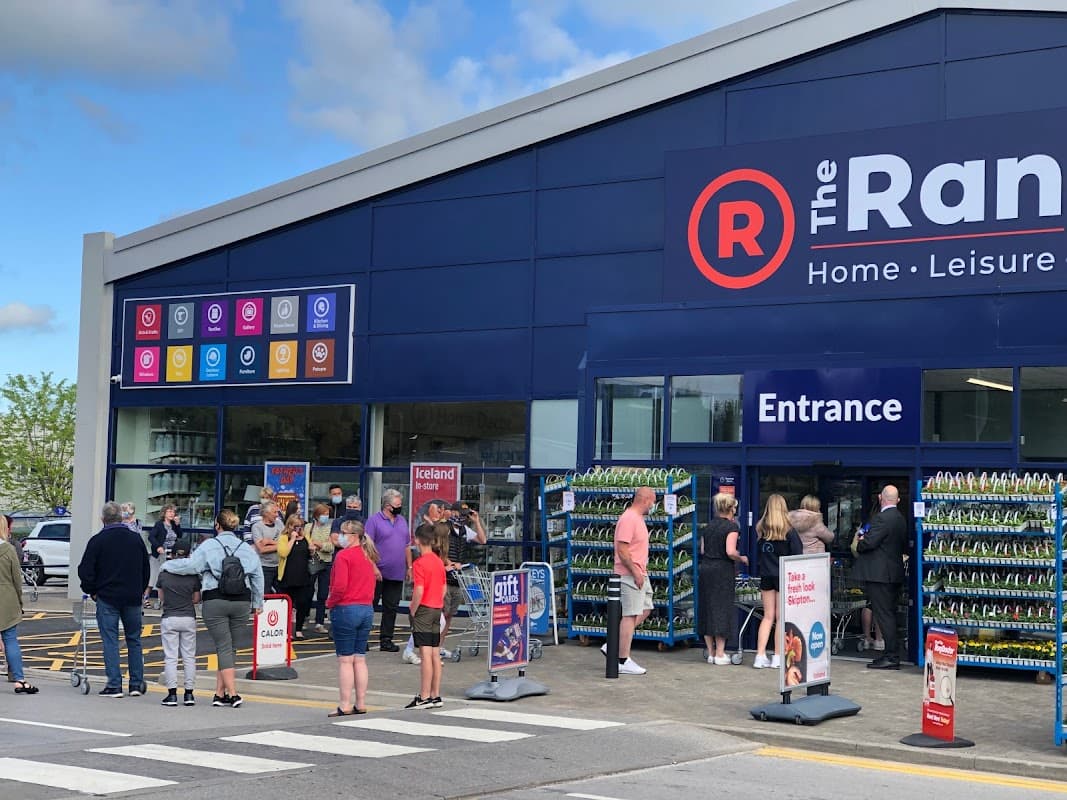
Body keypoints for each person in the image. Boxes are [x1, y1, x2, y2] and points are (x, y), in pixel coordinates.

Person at [161, 509, 264, 707]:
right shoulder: (246, 548)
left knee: (223, 647)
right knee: (229, 648)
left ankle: (232, 694)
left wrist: (168, 566)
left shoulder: (209, 545)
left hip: (215, 600)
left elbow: (191, 566)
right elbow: (257, 576)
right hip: (242, 600)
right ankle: (219, 694)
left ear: (217, 525)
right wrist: (258, 603)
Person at [78, 501, 151, 697]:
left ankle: (114, 684)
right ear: (121, 517)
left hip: (107, 597)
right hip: (132, 597)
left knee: (110, 640)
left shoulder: (97, 541)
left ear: (103, 519)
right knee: (134, 640)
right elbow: (146, 569)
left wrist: (92, 591)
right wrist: (141, 590)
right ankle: (136, 683)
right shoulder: (136, 540)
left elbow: (85, 570)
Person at [325, 520, 378, 716]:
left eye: (344, 532)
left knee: (345, 660)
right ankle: (361, 702)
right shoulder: (368, 556)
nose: (341, 535)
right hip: (366, 608)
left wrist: (329, 603)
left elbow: (339, 586)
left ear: (353, 536)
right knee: (360, 658)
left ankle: (345, 704)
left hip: (346, 608)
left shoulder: (343, 556)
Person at [852, 485, 907, 669]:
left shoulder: (882, 519)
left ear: (880, 498)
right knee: (889, 613)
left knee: (884, 615)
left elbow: (868, 543)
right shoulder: (900, 518)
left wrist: (861, 541)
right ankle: (890, 654)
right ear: (897, 500)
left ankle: (891, 656)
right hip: (893, 573)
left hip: (880, 575)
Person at [608, 487, 657, 676]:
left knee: (645, 608)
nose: (653, 505)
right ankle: (622, 659)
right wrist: (635, 572)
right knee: (630, 614)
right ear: (645, 500)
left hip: (640, 572)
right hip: (630, 574)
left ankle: (615, 643)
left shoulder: (637, 519)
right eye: (653, 501)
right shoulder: (629, 518)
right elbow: (622, 549)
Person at [752, 494, 803, 669]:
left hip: (766, 575)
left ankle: (759, 655)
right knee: (781, 618)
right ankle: (778, 656)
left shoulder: (762, 529)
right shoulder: (789, 531)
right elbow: (798, 555)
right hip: (784, 576)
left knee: (767, 617)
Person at [699, 493, 748, 666]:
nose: (735, 510)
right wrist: (741, 558)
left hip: (705, 569)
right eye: (734, 507)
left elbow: (703, 550)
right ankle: (720, 653)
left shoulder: (708, 526)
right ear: (730, 508)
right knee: (722, 608)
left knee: (707, 608)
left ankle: (711, 653)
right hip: (721, 570)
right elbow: (730, 551)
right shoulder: (732, 528)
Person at [405, 523, 446, 709]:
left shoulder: (419, 563)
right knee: (435, 652)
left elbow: (419, 590)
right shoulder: (438, 561)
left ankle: (424, 696)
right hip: (437, 607)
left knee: (425, 653)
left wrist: (413, 609)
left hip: (424, 608)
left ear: (417, 540)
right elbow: (444, 588)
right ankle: (436, 694)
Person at [156, 537, 200, 707]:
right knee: (189, 657)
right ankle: (189, 694)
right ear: (189, 554)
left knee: (171, 657)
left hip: (170, 617)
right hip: (188, 616)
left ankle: (172, 694)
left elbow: (161, 597)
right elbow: (196, 599)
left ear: (173, 554)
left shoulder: (164, 573)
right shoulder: (193, 574)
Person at [440, 501, 487, 653]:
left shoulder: (464, 530)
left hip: (457, 579)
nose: (463, 517)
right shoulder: (444, 529)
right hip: (444, 579)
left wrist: (476, 521)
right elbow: (439, 550)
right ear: (452, 512)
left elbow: (482, 540)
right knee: (441, 615)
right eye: (461, 514)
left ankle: (440, 646)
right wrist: (451, 563)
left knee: (448, 616)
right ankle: (433, 647)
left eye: (465, 515)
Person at [365, 489, 408, 653]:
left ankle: (386, 640)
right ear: (388, 505)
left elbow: (406, 545)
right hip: (377, 573)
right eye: (397, 504)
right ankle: (363, 638)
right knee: (370, 606)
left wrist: (409, 567)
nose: (400, 507)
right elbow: (367, 546)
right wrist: (373, 567)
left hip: (397, 572)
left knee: (391, 607)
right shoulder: (374, 521)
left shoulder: (402, 520)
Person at [0, 519, 36, 694]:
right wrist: (19, 601)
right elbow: (17, 579)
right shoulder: (9, 550)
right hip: (7, 599)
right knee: (10, 640)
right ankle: (19, 679)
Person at [278, 513, 314, 640]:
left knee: (303, 603)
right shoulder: (283, 537)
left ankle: (298, 629)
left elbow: (311, 553)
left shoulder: (306, 536)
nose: (298, 529)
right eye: (296, 527)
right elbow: (283, 553)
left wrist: (312, 549)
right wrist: (292, 539)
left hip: (303, 575)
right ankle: (287, 631)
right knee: (287, 605)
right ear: (290, 526)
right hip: (288, 576)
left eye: (300, 526)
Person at [307, 505, 338, 635]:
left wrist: (318, 544)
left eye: (327, 513)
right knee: (308, 590)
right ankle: (304, 617)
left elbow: (331, 547)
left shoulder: (330, 528)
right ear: (317, 514)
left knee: (323, 594)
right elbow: (308, 543)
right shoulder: (308, 527)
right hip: (313, 562)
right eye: (324, 513)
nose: (326, 516)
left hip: (326, 563)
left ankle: (319, 622)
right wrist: (319, 544)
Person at [147, 505, 182, 608]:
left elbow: (179, 535)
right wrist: (158, 547)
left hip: (171, 554)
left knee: (167, 578)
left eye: (173, 512)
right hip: (159, 554)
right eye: (170, 511)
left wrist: (178, 524)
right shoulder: (159, 525)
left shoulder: (173, 524)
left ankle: (163, 600)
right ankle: (145, 597)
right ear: (164, 513)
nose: (172, 514)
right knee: (153, 578)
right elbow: (151, 537)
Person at [251, 500, 284, 594]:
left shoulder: (279, 524)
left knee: (281, 595)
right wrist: (279, 544)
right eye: (275, 512)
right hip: (264, 567)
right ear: (266, 513)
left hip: (280, 566)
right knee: (264, 595)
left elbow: (286, 543)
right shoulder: (257, 527)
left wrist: (269, 541)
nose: (277, 515)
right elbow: (262, 549)